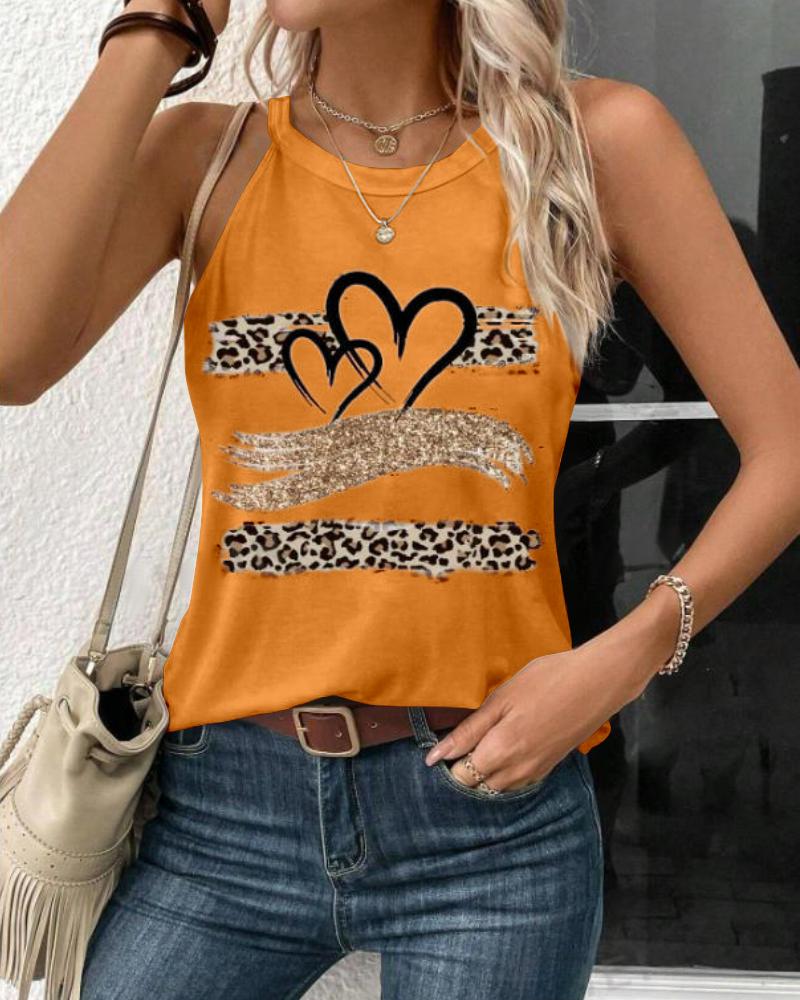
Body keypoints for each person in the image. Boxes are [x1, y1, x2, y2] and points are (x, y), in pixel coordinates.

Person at [2, 1, 799, 998]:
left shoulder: (596, 143)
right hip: (221, 810)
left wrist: (624, 657)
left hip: (489, 824)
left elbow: (785, 448)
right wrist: (157, 29)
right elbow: (11, 357)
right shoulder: (210, 155)